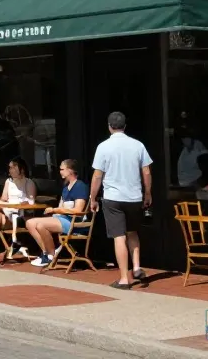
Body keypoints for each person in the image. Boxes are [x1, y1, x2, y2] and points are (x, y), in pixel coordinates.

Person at [89, 111, 153, 288]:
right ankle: (137, 267)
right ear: (125, 127)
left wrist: (92, 197)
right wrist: (148, 193)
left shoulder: (103, 147)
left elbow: (97, 175)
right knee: (132, 232)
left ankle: (124, 278)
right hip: (134, 196)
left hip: (113, 197)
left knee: (119, 236)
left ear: (109, 126)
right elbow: (146, 172)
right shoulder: (138, 145)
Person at [26, 159, 89, 267]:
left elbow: (78, 210)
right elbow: (61, 206)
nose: (60, 172)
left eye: (62, 169)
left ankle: (51, 254)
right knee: (29, 223)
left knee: (41, 225)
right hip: (62, 218)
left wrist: (56, 210)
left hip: (75, 223)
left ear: (70, 170)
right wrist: (55, 211)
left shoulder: (80, 186)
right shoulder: (66, 187)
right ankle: (46, 252)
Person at [0, 156, 37, 257]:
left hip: (20, 217)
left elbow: (31, 203)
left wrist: (17, 204)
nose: (10, 170)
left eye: (13, 167)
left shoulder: (28, 183)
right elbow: (4, 199)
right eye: (9, 167)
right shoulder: (9, 182)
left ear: (21, 169)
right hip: (8, 216)